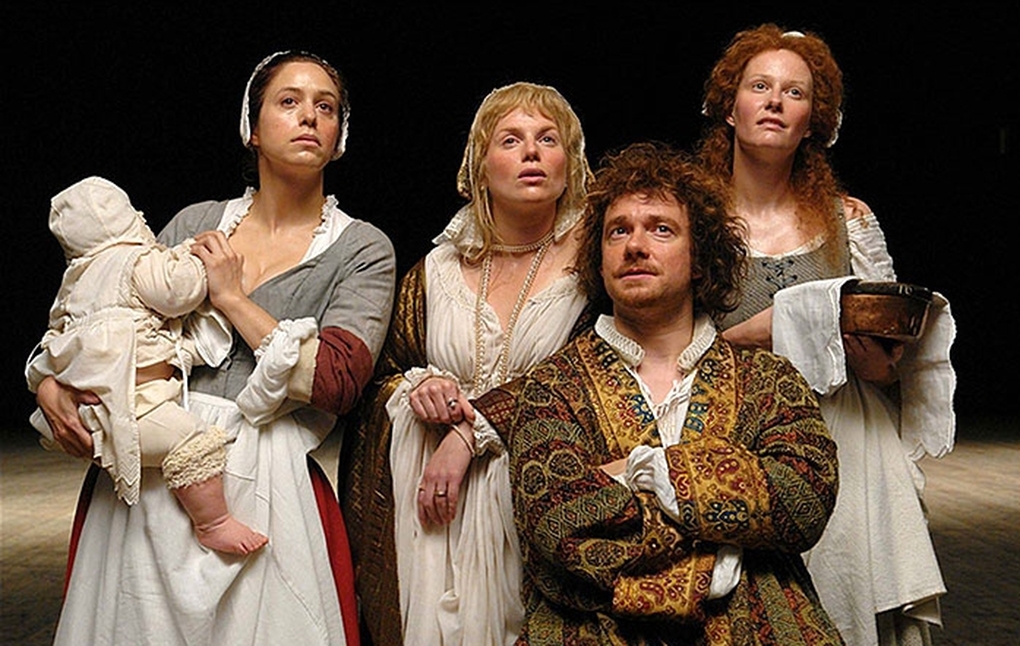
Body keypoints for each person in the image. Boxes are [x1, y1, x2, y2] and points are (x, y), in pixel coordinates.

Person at [34, 50, 396, 645]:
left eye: (326, 107)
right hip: (154, 478)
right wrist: (49, 381)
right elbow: (106, 316)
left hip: (267, 484)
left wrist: (230, 296)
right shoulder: (195, 223)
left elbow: (336, 382)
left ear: (340, 137)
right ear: (252, 128)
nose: (309, 116)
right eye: (289, 101)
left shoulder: (361, 248)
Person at [469, 141, 845, 644]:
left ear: (699, 258)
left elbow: (802, 500)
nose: (635, 246)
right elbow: (559, 523)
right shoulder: (551, 386)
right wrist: (723, 548)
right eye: (618, 231)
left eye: (661, 229)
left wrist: (645, 470)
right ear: (599, 260)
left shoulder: (769, 380)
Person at [695, 24, 957, 646]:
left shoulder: (849, 220)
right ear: (730, 107)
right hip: (733, 437)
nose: (775, 101)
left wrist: (871, 358)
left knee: (843, 606)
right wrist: (762, 333)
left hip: (844, 444)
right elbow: (667, 342)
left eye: (795, 92)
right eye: (759, 86)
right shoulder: (691, 218)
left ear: (814, 121)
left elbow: (886, 368)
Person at [340, 81, 595, 645]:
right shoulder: (435, 271)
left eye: (548, 139)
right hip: (433, 511)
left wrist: (472, 431)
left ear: (571, 164)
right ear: (480, 164)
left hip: (536, 501)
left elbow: (590, 382)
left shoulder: (596, 269)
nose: (532, 152)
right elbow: (379, 381)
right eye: (511, 139)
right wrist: (417, 390)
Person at [26, 175, 267, 556]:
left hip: (90, 407)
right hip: (135, 406)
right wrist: (192, 257)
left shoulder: (73, 282)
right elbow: (177, 294)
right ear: (127, 218)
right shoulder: (133, 261)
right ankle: (213, 522)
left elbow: (52, 336)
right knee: (192, 441)